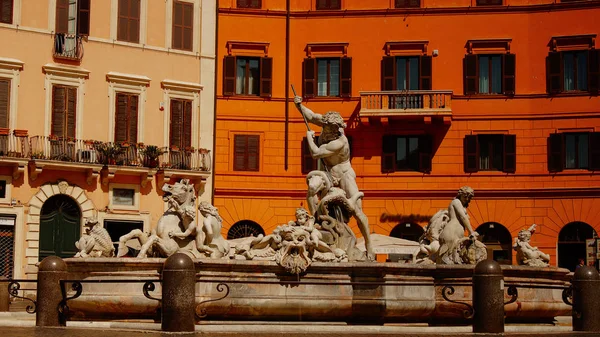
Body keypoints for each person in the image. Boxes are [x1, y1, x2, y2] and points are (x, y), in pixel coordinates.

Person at [294, 95, 373, 260]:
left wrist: (310, 137)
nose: (327, 130)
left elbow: (316, 153)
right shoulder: (325, 124)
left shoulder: (340, 141)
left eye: (330, 129)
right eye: (326, 127)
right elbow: (310, 116)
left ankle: (369, 246)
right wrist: (299, 105)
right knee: (311, 189)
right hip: (327, 174)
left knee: (357, 211)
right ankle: (316, 219)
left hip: (344, 175)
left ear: (337, 129)